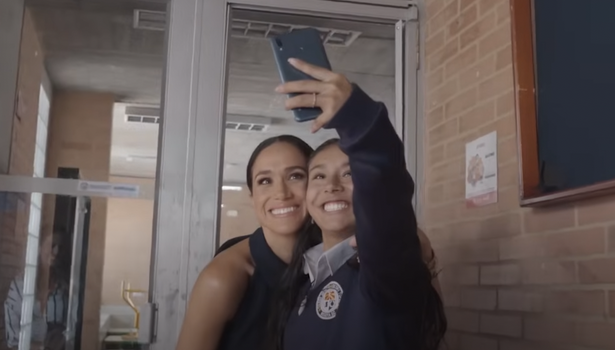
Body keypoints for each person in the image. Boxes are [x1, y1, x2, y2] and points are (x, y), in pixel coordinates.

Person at [267, 58, 446, 349]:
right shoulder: (302, 278)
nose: (332, 186)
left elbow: (385, 197)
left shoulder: (383, 271)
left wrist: (360, 120)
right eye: (319, 176)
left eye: (350, 173)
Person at [176, 135, 314, 350]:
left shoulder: (336, 259)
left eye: (295, 176)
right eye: (265, 181)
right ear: (252, 198)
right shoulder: (223, 278)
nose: (281, 193)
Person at [4, 231, 69, 349]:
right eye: (52, 246)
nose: (56, 252)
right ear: (39, 248)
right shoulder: (20, 286)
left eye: (60, 248)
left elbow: (72, 332)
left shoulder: (64, 289)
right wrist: (43, 347)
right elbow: (13, 341)